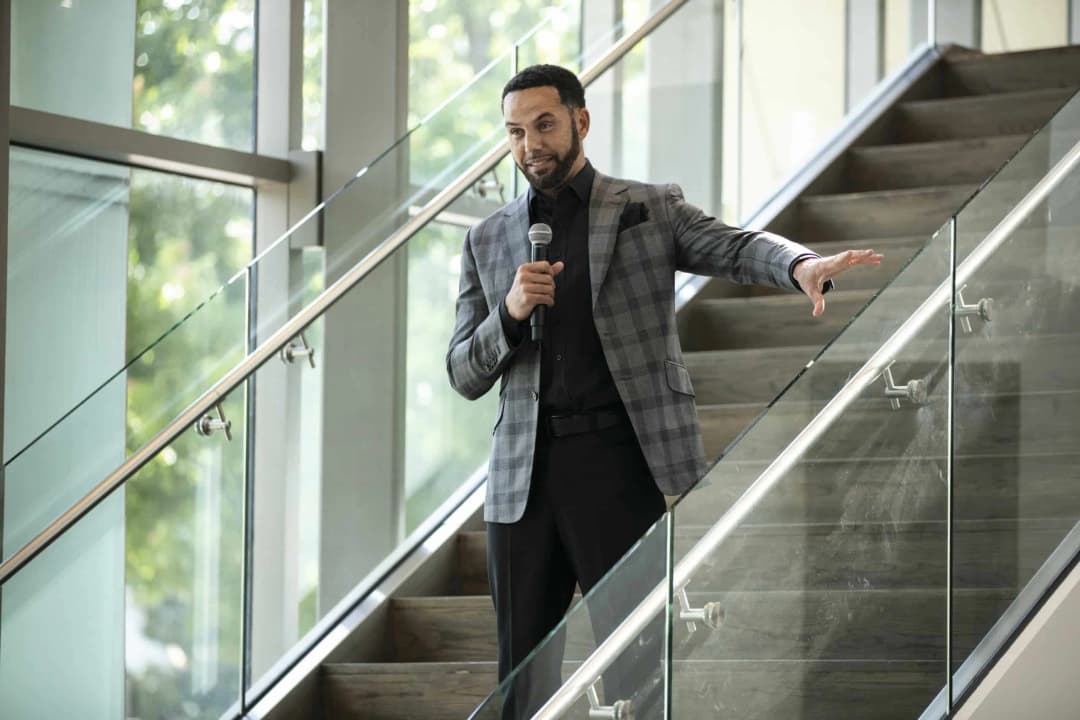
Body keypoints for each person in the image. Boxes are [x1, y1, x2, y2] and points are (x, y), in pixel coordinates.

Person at [446, 64, 881, 718]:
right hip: (522, 483)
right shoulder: (486, 240)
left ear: (579, 122)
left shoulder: (645, 208)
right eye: (514, 132)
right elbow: (462, 371)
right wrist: (508, 314)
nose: (529, 144)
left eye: (543, 124)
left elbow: (732, 246)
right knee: (522, 677)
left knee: (637, 663)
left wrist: (799, 265)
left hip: (616, 463)